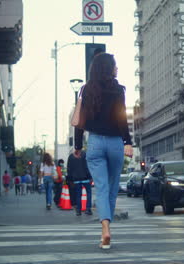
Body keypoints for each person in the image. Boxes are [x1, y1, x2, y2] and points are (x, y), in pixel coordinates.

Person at [74, 53, 133, 250]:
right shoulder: (118, 90)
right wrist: (128, 142)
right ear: (108, 68)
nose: (117, 68)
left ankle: (104, 230)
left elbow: (79, 120)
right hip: (116, 142)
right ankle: (107, 230)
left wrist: (77, 146)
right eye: (115, 65)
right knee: (112, 187)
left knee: (100, 188)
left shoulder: (86, 89)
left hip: (96, 142)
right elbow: (122, 118)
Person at [67, 150, 92, 216]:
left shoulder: (71, 156)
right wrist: (90, 176)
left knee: (78, 195)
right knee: (88, 193)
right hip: (85, 177)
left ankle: (78, 210)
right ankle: (88, 209)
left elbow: (69, 168)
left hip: (76, 179)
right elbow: (88, 166)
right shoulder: (85, 154)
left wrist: (70, 179)